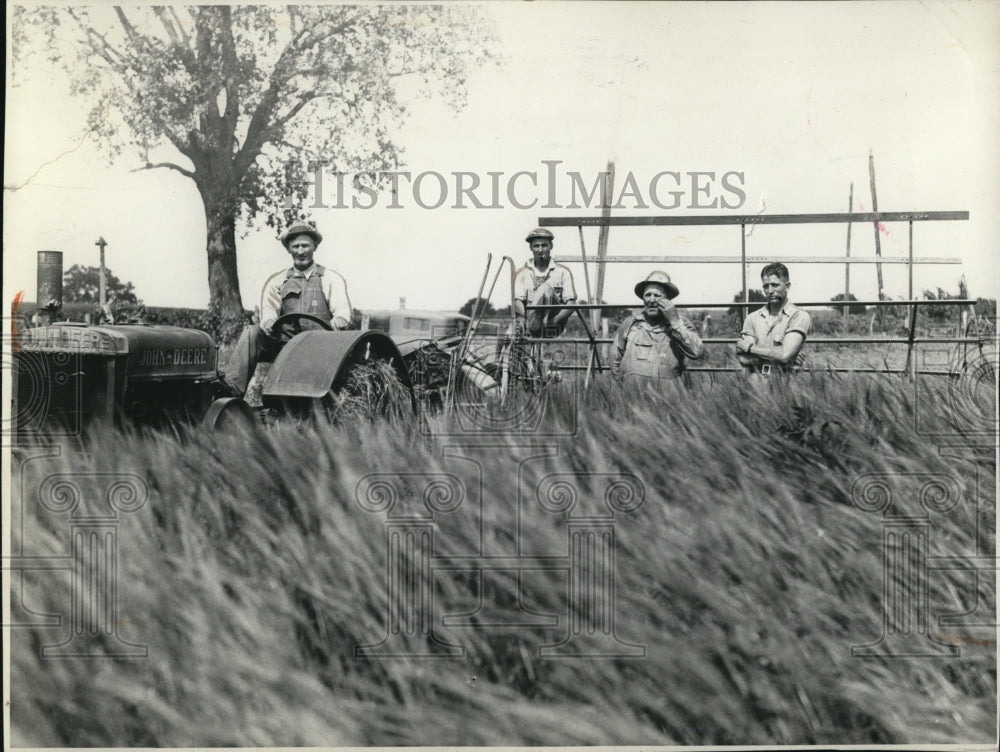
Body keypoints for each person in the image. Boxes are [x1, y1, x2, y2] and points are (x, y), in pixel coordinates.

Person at [222, 220, 352, 397]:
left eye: (305, 246)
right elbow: (269, 310)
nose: (300, 251)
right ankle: (230, 392)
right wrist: (268, 321)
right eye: (295, 246)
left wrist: (339, 320)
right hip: (284, 346)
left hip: (322, 348)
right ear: (288, 249)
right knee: (252, 333)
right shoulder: (278, 280)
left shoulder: (330, 278)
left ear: (315, 246)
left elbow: (343, 311)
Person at [610, 271, 704, 384]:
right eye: (648, 295)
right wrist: (622, 388)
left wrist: (674, 322)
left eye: (657, 295)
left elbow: (696, 352)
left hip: (668, 399)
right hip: (632, 396)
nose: (651, 300)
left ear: (668, 300)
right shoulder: (630, 323)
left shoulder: (681, 323)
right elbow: (614, 359)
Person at [735, 262, 811, 376]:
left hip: (786, 382)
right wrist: (784, 357)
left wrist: (749, 347)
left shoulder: (799, 316)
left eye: (775, 285)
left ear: (787, 286)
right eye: (766, 286)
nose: (770, 291)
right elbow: (744, 359)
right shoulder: (752, 318)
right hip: (756, 383)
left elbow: (785, 355)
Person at [513, 228, 577, 337]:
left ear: (551, 246)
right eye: (536, 246)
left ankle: (542, 324)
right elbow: (518, 302)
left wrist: (555, 320)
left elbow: (571, 304)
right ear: (531, 248)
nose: (540, 250)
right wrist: (527, 318)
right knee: (509, 337)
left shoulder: (563, 272)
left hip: (554, 324)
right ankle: (534, 325)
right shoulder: (522, 273)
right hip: (531, 320)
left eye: (544, 245)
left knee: (545, 288)